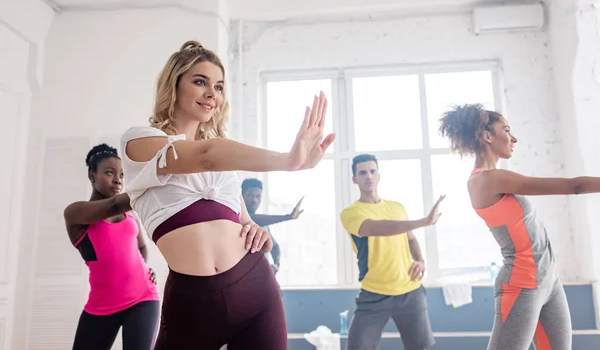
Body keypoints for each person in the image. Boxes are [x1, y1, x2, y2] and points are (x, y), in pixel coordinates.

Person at [120, 40, 335, 350]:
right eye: (200, 82)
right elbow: (207, 154)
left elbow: (242, 219)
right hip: (193, 303)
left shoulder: (225, 163)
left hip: (257, 291)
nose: (212, 94)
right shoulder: (140, 142)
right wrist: (289, 161)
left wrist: (257, 231)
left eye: (219, 87)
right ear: (174, 84)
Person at [439, 103, 582, 350]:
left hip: (549, 280)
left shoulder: (496, 177)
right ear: (487, 136)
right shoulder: (487, 179)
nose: (513, 138)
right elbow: (572, 186)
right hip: (521, 286)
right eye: (506, 130)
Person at [340, 154, 444, 350]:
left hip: (410, 291)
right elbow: (375, 228)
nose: (368, 176)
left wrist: (421, 260)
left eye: (372, 171)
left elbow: (410, 238)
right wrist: (423, 221)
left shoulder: (397, 208)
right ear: (355, 179)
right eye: (362, 173)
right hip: (374, 294)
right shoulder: (351, 213)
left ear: (379, 176)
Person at [64, 144, 160, 350]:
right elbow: (113, 205)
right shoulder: (75, 213)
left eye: (122, 175)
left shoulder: (130, 215)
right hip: (101, 306)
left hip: (143, 299)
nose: (118, 180)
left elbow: (141, 247)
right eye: (110, 173)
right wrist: (157, 175)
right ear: (92, 176)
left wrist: (144, 268)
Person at [241, 178, 303, 276]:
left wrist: (276, 265)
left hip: (264, 276)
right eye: (250, 196)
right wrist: (288, 217)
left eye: (258, 196)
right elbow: (253, 219)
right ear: (241, 197)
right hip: (247, 277)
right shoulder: (238, 218)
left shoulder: (264, 223)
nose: (254, 200)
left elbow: (275, 247)